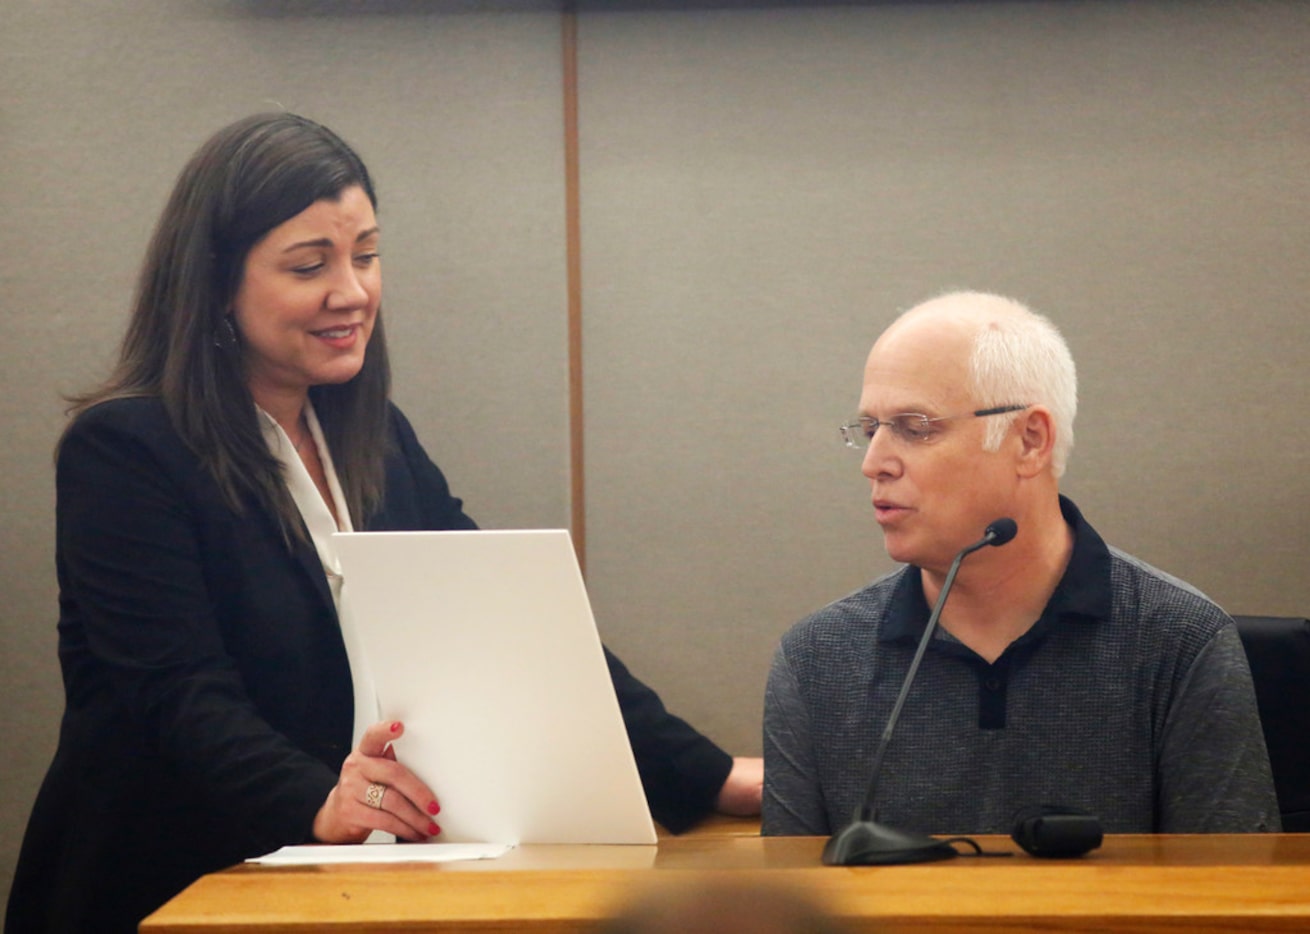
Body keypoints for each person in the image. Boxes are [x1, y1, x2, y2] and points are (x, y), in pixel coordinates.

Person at [6, 112, 759, 934]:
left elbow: (508, 623)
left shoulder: (376, 440)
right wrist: (320, 803)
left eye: (365, 255)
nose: (353, 291)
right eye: (309, 265)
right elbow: (178, 693)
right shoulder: (125, 449)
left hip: (348, 888)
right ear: (216, 282)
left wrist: (705, 774)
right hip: (164, 883)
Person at [762, 290, 1279, 837]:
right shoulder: (817, 658)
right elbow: (792, 905)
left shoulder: (1179, 640)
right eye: (870, 430)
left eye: (915, 428)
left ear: (1030, 441)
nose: (874, 464)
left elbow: (1234, 896)